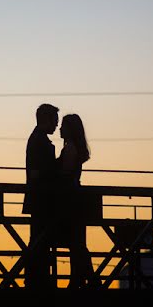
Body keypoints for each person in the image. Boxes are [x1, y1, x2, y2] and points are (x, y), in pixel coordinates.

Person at [57, 114, 97, 289]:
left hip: (69, 201)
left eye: (63, 126)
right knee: (77, 243)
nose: (60, 129)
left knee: (76, 244)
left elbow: (64, 175)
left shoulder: (70, 149)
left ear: (69, 130)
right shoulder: (73, 148)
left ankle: (83, 280)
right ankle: (83, 280)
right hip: (76, 200)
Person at [22, 104, 60, 289]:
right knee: (39, 240)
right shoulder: (39, 141)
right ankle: (36, 281)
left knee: (38, 240)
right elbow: (37, 173)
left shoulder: (37, 139)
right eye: (55, 120)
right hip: (41, 200)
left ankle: (35, 280)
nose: (57, 125)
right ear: (46, 119)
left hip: (38, 199)